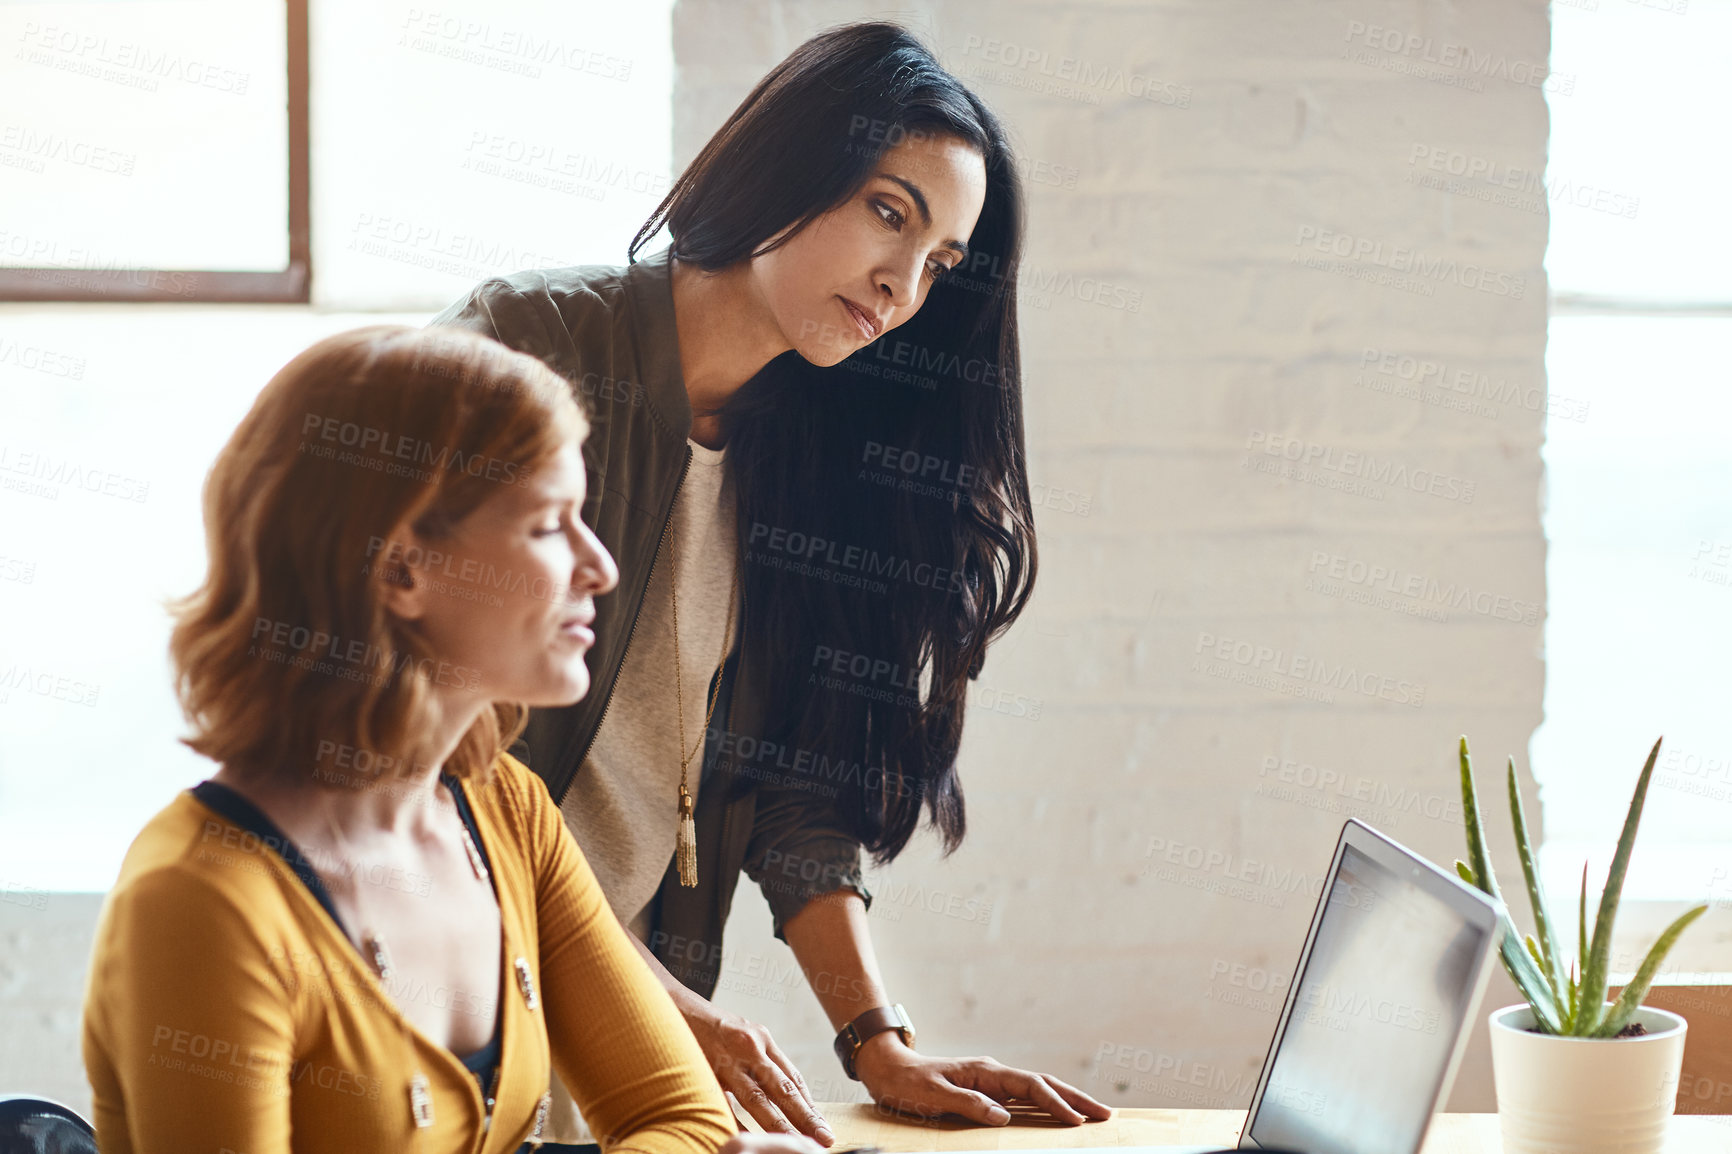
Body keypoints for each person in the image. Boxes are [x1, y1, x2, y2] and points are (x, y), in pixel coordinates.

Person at [431, 20, 1112, 1146]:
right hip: (451, 1003)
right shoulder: (527, 348)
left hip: (618, 1042)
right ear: (791, 168)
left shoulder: (811, 445)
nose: (902, 282)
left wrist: (877, 1042)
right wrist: (670, 1007)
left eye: (940, 263)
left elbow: (796, 785)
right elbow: (419, 763)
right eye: (889, 212)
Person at [79, 325, 815, 1154]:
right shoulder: (202, 902)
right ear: (400, 570)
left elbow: (678, 1117)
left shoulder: (509, 815)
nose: (599, 565)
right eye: (548, 524)